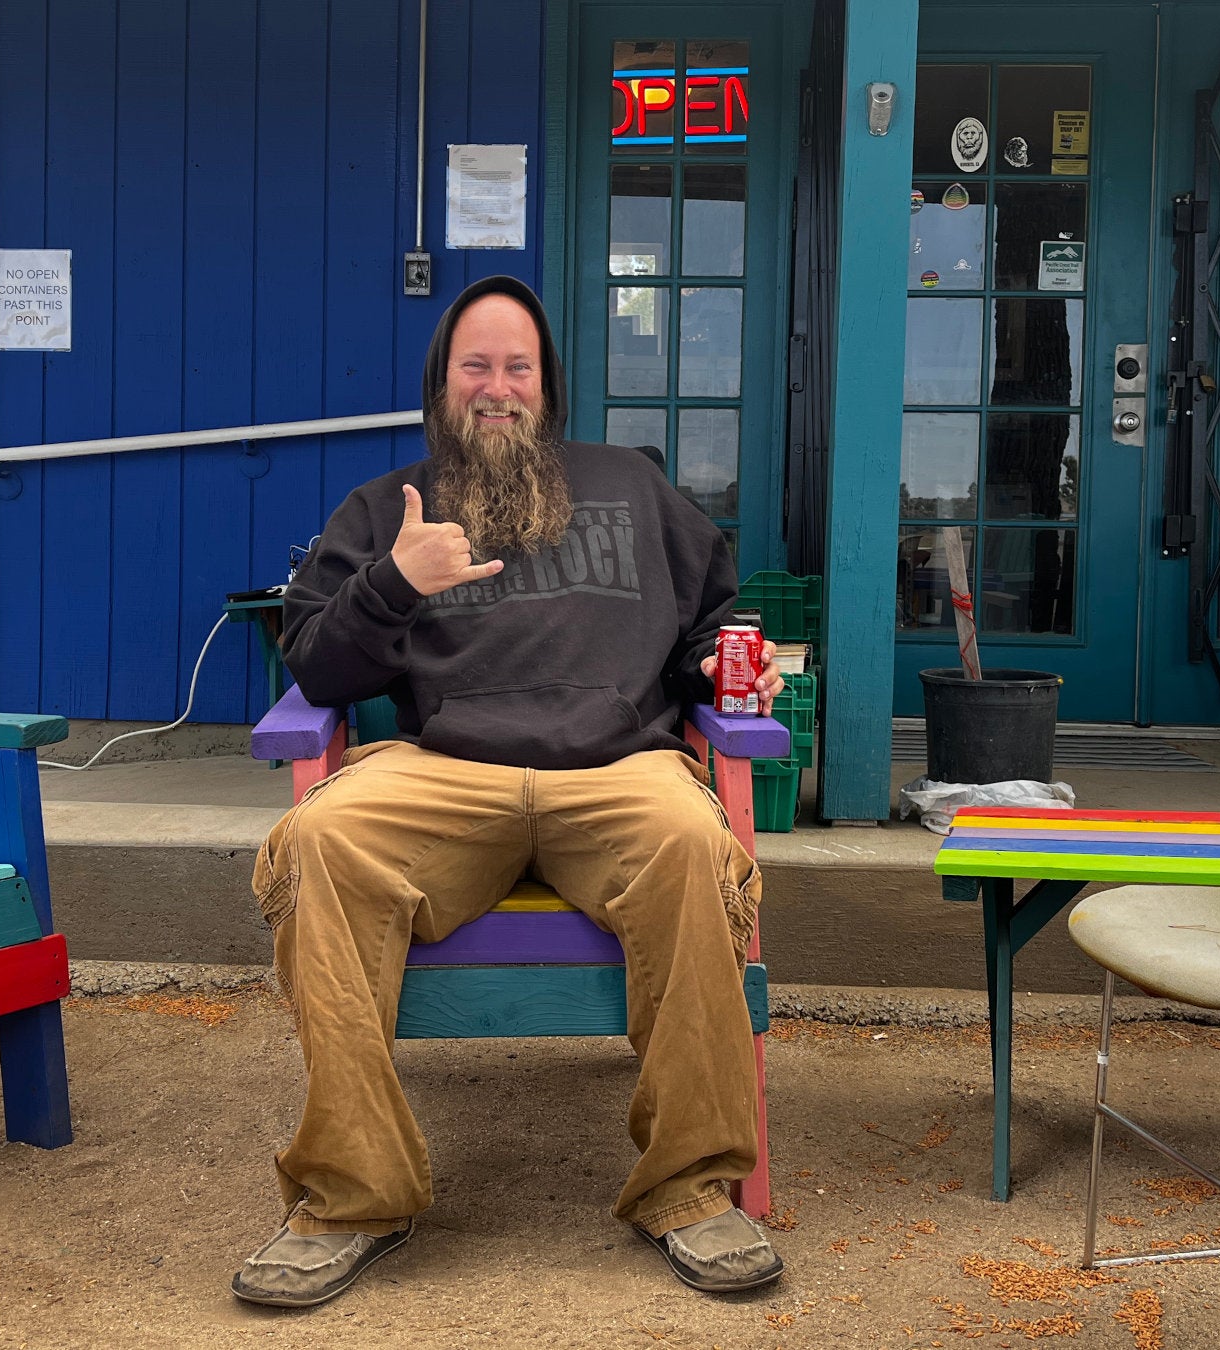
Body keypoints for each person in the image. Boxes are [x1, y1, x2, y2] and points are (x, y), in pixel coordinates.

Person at [233, 276, 787, 1309]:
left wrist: (725, 665)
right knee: (319, 838)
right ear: (442, 387)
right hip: (446, 772)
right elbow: (316, 667)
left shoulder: (631, 484)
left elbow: (717, 614)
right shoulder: (387, 507)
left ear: (549, 386)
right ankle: (356, 1194)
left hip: (621, 770)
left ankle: (689, 1188)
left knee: (692, 839)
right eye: (474, 368)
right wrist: (395, 581)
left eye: (516, 368)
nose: (497, 389)